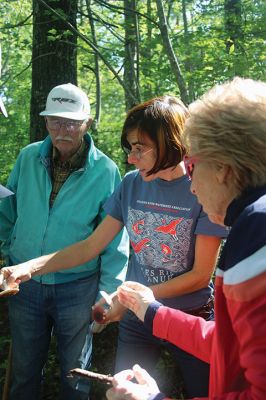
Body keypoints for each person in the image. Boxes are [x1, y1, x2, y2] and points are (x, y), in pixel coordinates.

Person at [0, 95, 227, 398]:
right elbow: (91, 245)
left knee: (210, 392)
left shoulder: (202, 187)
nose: (130, 158)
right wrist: (27, 267)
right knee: (126, 394)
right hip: (138, 321)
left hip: (192, 317)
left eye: (139, 148)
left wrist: (129, 296)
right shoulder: (132, 183)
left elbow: (201, 276)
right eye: (129, 148)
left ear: (171, 143)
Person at [104, 77, 266, 400]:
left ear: (222, 168)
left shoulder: (255, 234)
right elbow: (225, 342)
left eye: (192, 167)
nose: (190, 186)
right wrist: (151, 310)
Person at [0, 82, 129, 400]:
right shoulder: (29, 157)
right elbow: (8, 209)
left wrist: (109, 290)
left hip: (78, 287)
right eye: (56, 120)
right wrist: (7, 254)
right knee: (24, 372)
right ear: (45, 121)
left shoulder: (106, 171)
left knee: (76, 374)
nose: (63, 129)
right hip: (24, 285)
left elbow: (114, 239)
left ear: (87, 123)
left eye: (72, 122)